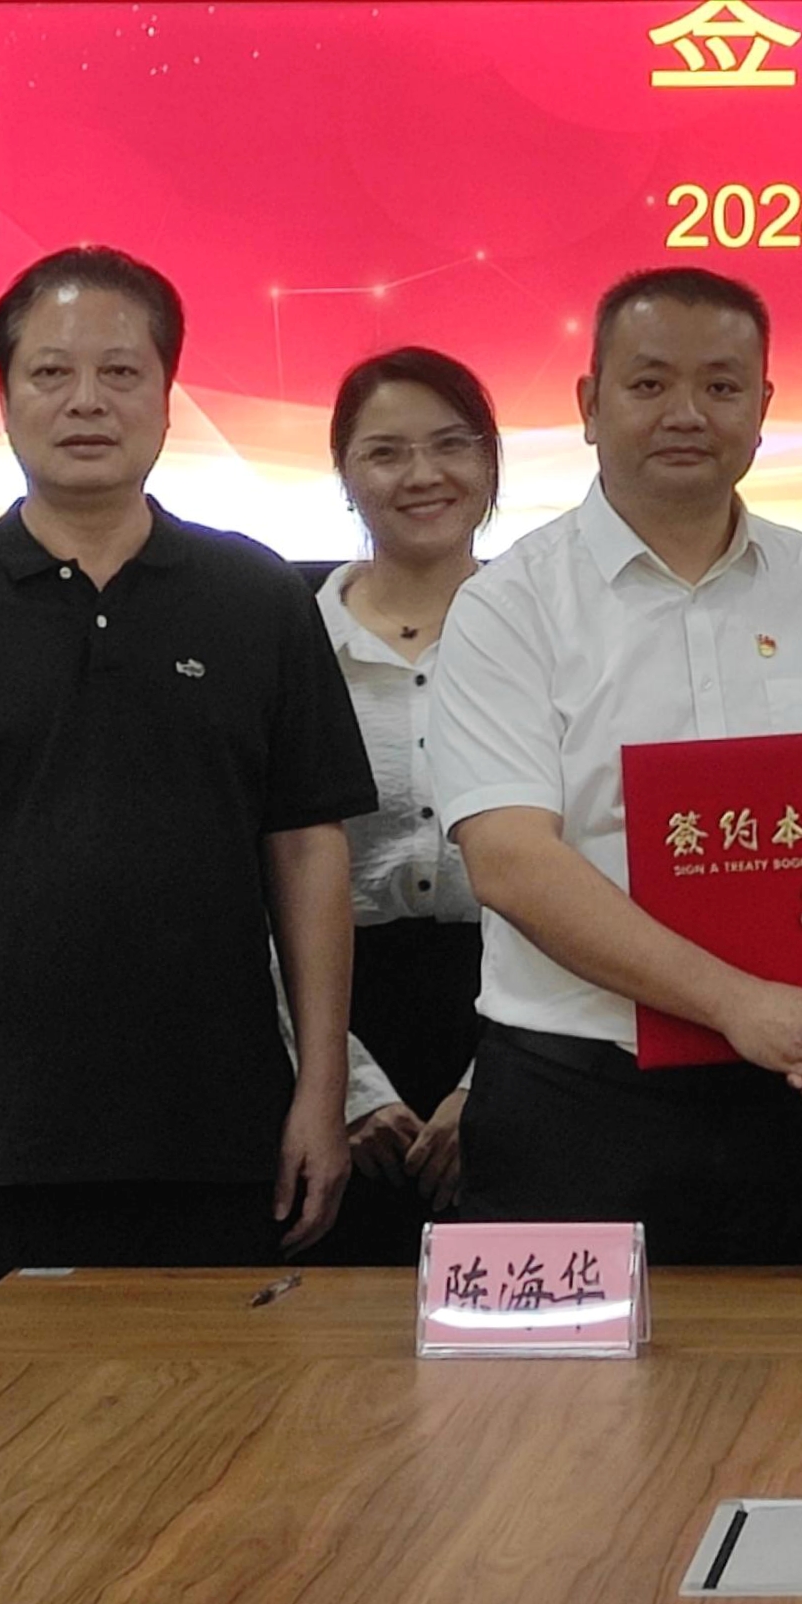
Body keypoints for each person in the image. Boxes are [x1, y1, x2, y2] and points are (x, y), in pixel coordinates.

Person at [0, 247, 371, 1336]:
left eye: (120, 372)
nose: (86, 401)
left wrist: (321, 1091)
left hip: (219, 1141)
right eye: (51, 373)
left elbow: (307, 850)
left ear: (168, 393)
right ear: (5, 396)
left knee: (212, 1430)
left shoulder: (256, 597)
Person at [424, 267, 802, 1262]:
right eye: (649, 383)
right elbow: (511, 862)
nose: (687, 414)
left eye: (721, 386)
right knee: (563, 1373)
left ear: (763, 408)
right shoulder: (508, 605)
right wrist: (736, 1003)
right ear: (589, 404)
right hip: (581, 1099)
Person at [312, 346, 498, 1258]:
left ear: (490, 461)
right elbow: (255, 885)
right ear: (344, 475)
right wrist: (342, 1089)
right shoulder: (292, 647)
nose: (423, 475)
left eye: (451, 444)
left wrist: (493, 1082)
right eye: (385, 452)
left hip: (522, 1015)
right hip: (331, 1026)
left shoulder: (552, 639)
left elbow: (599, 863)